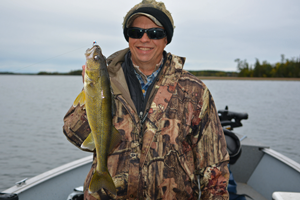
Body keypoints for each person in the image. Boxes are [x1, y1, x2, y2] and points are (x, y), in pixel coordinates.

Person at [63, 0, 230, 199]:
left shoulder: (194, 91)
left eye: (155, 33)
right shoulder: (104, 81)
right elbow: (74, 136)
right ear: (128, 37)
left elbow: (215, 168)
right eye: (136, 32)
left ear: (166, 39)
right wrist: (88, 97)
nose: (144, 39)